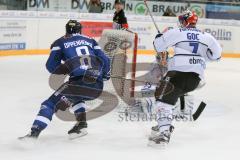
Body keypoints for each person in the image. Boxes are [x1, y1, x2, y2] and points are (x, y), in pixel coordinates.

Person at [20, 20, 110, 140]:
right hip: (97, 86)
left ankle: (33, 134)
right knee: (76, 97)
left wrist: (67, 68)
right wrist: (105, 75)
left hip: (78, 83)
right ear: (80, 30)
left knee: (49, 104)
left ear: (66, 30)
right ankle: (81, 125)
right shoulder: (91, 40)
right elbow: (105, 60)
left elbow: (51, 66)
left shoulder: (60, 42)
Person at [149, 10, 222, 146]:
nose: (181, 23)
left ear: (185, 21)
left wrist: (159, 36)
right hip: (194, 80)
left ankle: (165, 131)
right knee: (169, 95)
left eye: (182, 20)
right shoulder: (207, 36)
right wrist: (201, 56)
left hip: (177, 75)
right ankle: (164, 123)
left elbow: (158, 45)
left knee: (162, 98)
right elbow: (216, 56)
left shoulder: (177, 32)